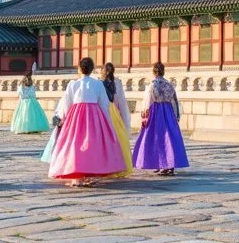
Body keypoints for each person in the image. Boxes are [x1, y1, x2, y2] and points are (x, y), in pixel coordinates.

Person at [47, 57, 125, 187]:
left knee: (75, 145)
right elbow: (104, 104)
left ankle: (76, 177)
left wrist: (61, 118)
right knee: (92, 145)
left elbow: (66, 104)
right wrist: (107, 122)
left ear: (79, 68)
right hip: (94, 117)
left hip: (75, 117)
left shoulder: (73, 84)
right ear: (92, 69)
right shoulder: (98, 84)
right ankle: (89, 174)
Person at [133, 62, 188, 175]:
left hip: (156, 111)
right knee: (168, 138)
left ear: (154, 72)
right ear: (163, 71)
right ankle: (167, 164)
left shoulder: (152, 85)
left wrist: (145, 115)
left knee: (157, 138)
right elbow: (174, 101)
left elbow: (147, 101)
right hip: (168, 111)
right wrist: (176, 115)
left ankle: (162, 163)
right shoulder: (169, 84)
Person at [100, 63, 134, 178]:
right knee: (117, 139)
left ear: (103, 71)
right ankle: (118, 164)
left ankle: (105, 165)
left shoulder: (100, 83)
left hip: (104, 110)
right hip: (114, 110)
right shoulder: (115, 83)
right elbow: (117, 100)